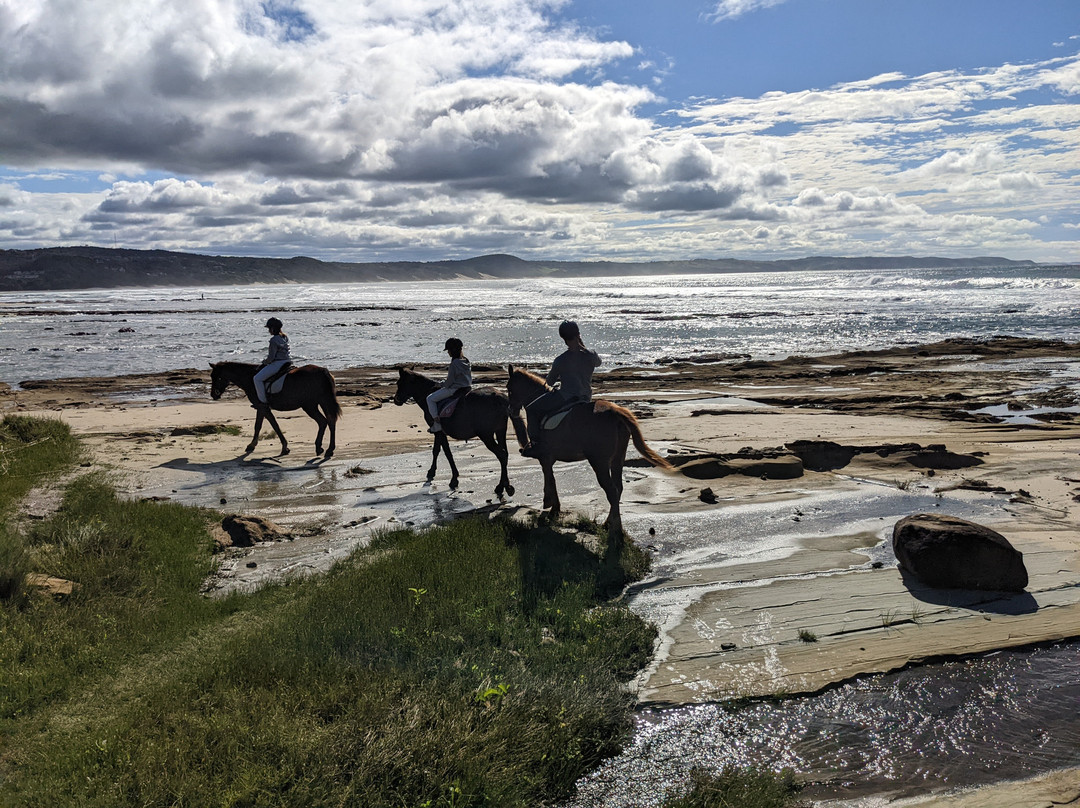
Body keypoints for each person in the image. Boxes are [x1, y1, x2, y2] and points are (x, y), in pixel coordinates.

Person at [521, 320, 601, 457]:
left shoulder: (561, 360)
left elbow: (549, 382)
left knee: (532, 409)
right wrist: (583, 346)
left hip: (567, 396)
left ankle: (535, 444)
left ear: (563, 338)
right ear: (578, 334)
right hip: (586, 396)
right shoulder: (591, 355)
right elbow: (598, 362)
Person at [426, 337, 472, 433]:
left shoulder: (454, 364)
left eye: (449, 350)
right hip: (467, 387)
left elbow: (449, 383)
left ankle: (437, 423)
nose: (448, 353)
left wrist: (440, 384)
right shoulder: (466, 360)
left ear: (453, 350)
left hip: (455, 389)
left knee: (430, 399)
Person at [253, 317, 291, 407]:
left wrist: (264, 362)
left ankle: (263, 402)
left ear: (273, 329)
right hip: (287, 361)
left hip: (278, 363)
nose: (269, 331)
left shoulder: (273, 340)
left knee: (257, 379)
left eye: (269, 329)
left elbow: (271, 357)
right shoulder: (285, 337)